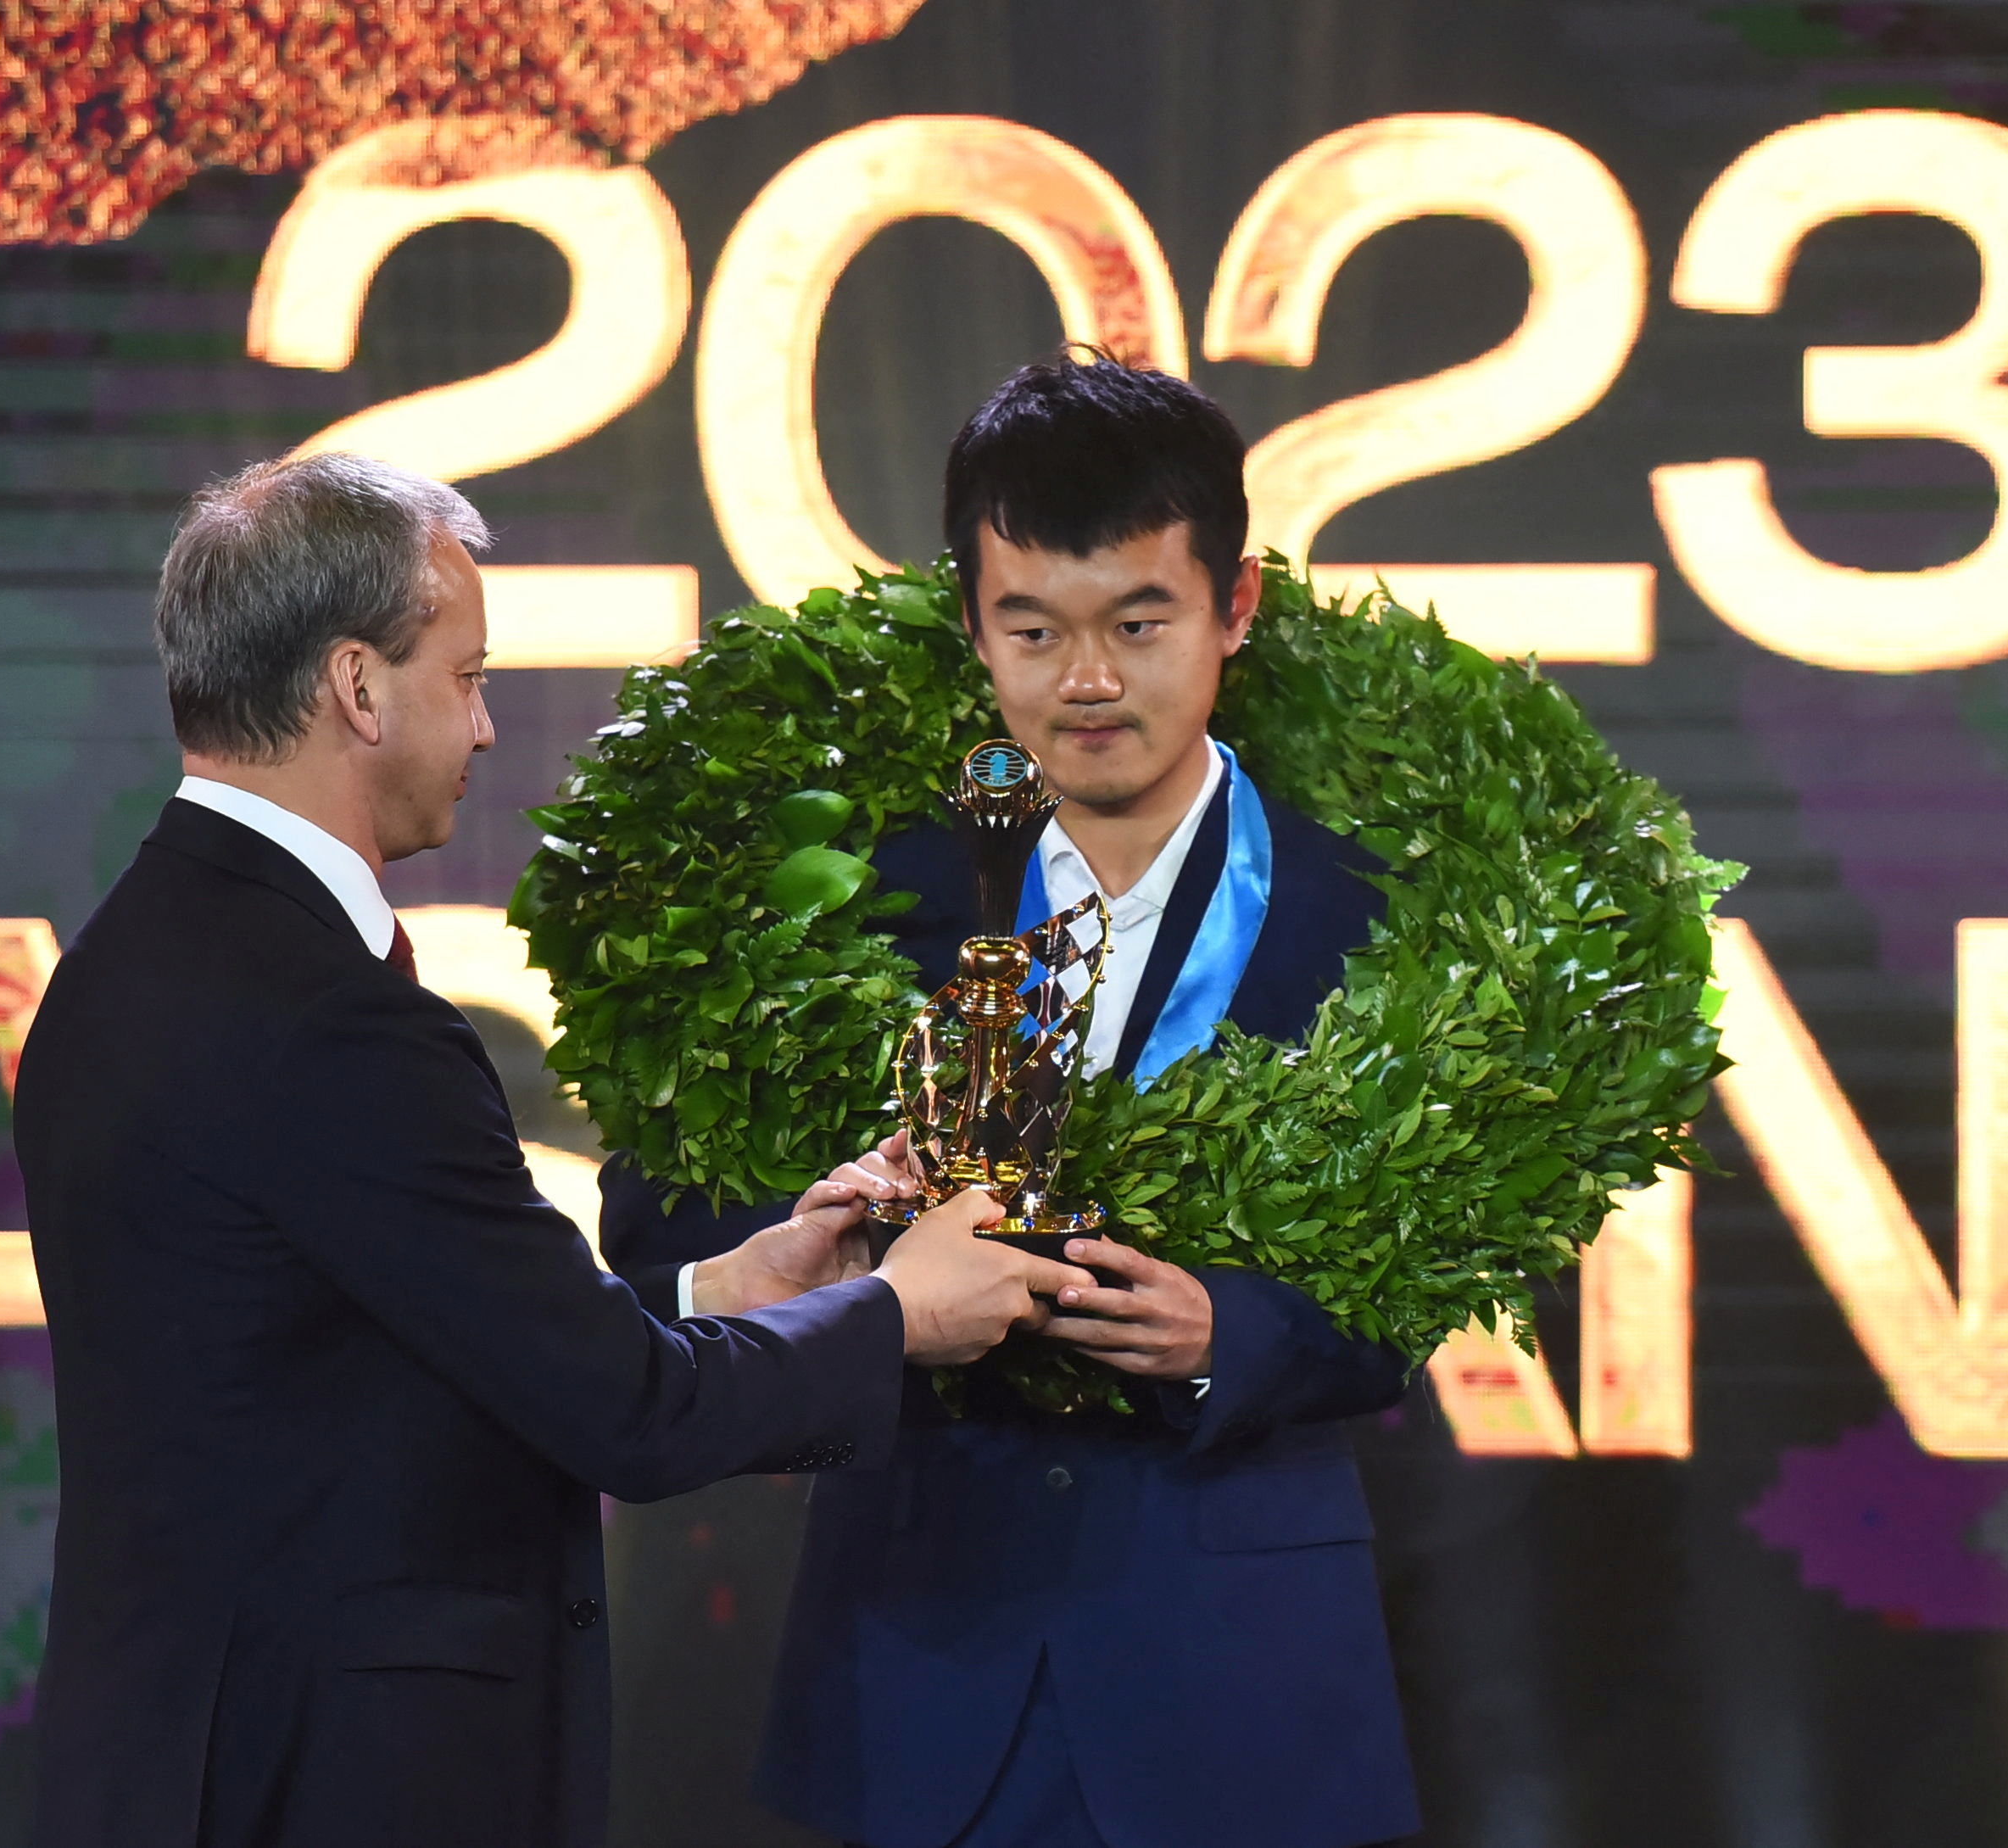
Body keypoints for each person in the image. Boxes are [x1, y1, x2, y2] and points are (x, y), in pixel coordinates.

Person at [13, 450, 1093, 1848]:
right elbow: (626, 1416)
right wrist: (894, 1313)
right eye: (466, 678)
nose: (482, 728)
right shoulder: (326, 1017)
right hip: (325, 1782)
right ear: (357, 687)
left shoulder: (130, 959)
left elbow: (398, 1341)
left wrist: (728, 1289)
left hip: (188, 1759)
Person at [600, 354, 1420, 1848]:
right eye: (1033, 629)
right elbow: (664, 1222)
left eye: (1138, 624)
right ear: (971, 623)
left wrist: (1230, 1335)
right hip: (921, 1656)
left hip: (1238, 1678)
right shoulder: (841, 889)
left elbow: (1458, 1246)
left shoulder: (1364, 906)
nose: (1085, 681)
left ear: (1235, 606)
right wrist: (839, 1259)